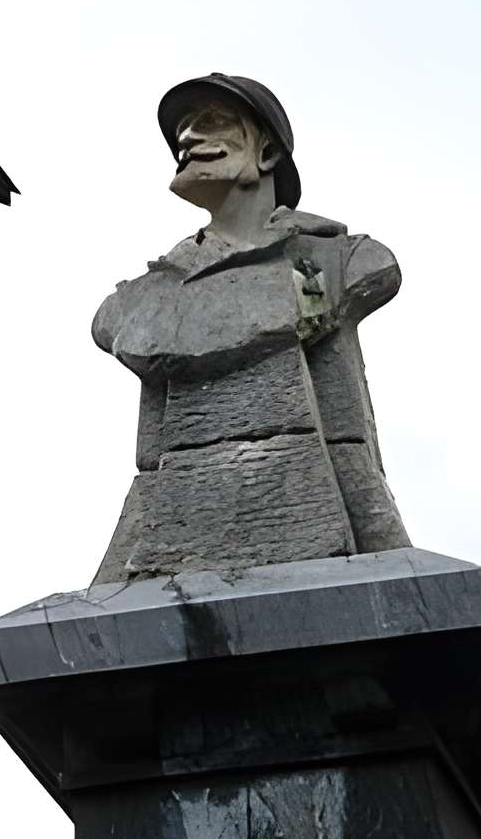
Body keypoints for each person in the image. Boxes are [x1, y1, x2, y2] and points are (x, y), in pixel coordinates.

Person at [88, 74, 412, 580]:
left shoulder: (341, 262)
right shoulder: (138, 301)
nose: (188, 138)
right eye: (184, 129)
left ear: (266, 153)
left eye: (213, 122)